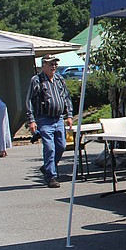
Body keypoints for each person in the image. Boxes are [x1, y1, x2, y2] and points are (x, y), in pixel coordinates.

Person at [26, 55, 74, 188]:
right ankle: (51, 177)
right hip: (44, 119)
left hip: (58, 118)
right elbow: (29, 100)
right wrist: (31, 120)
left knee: (61, 146)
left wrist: (69, 116)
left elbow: (67, 97)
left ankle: (47, 167)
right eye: (50, 64)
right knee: (49, 148)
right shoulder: (36, 80)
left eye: (55, 64)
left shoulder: (59, 79)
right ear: (43, 66)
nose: (53, 66)